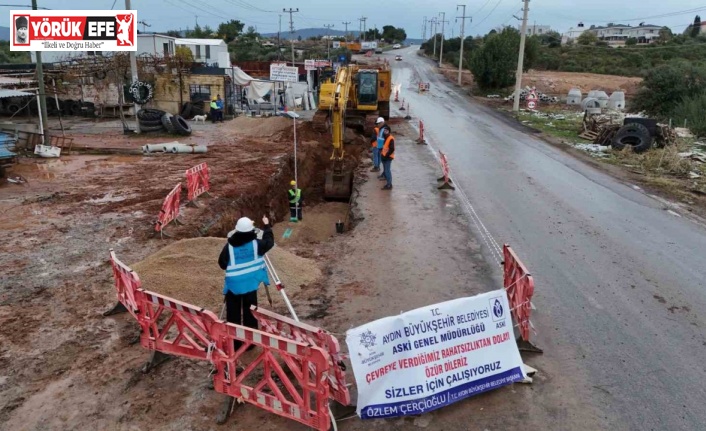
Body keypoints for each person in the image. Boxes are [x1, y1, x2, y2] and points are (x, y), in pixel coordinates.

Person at [218, 215, 274, 349]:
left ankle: (236, 343)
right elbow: (269, 242)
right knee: (250, 312)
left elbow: (222, 263)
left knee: (233, 313)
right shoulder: (257, 245)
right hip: (250, 284)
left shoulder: (229, 247)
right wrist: (267, 226)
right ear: (251, 230)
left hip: (234, 286)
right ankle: (251, 343)